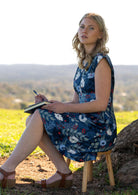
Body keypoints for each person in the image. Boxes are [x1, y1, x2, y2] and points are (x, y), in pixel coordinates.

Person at [0, 13, 117, 189]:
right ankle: (63, 172)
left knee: (39, 117)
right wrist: (53, 104)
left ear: (100, 34)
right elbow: (76, 102)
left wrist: (63, 108)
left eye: (91, 28)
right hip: (85, 120)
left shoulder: (101, 62)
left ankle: (7, 169)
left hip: (99, 127)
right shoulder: (84, 63)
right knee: (33, 118)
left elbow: (101, 104)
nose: (84, 30)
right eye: (82, 26)